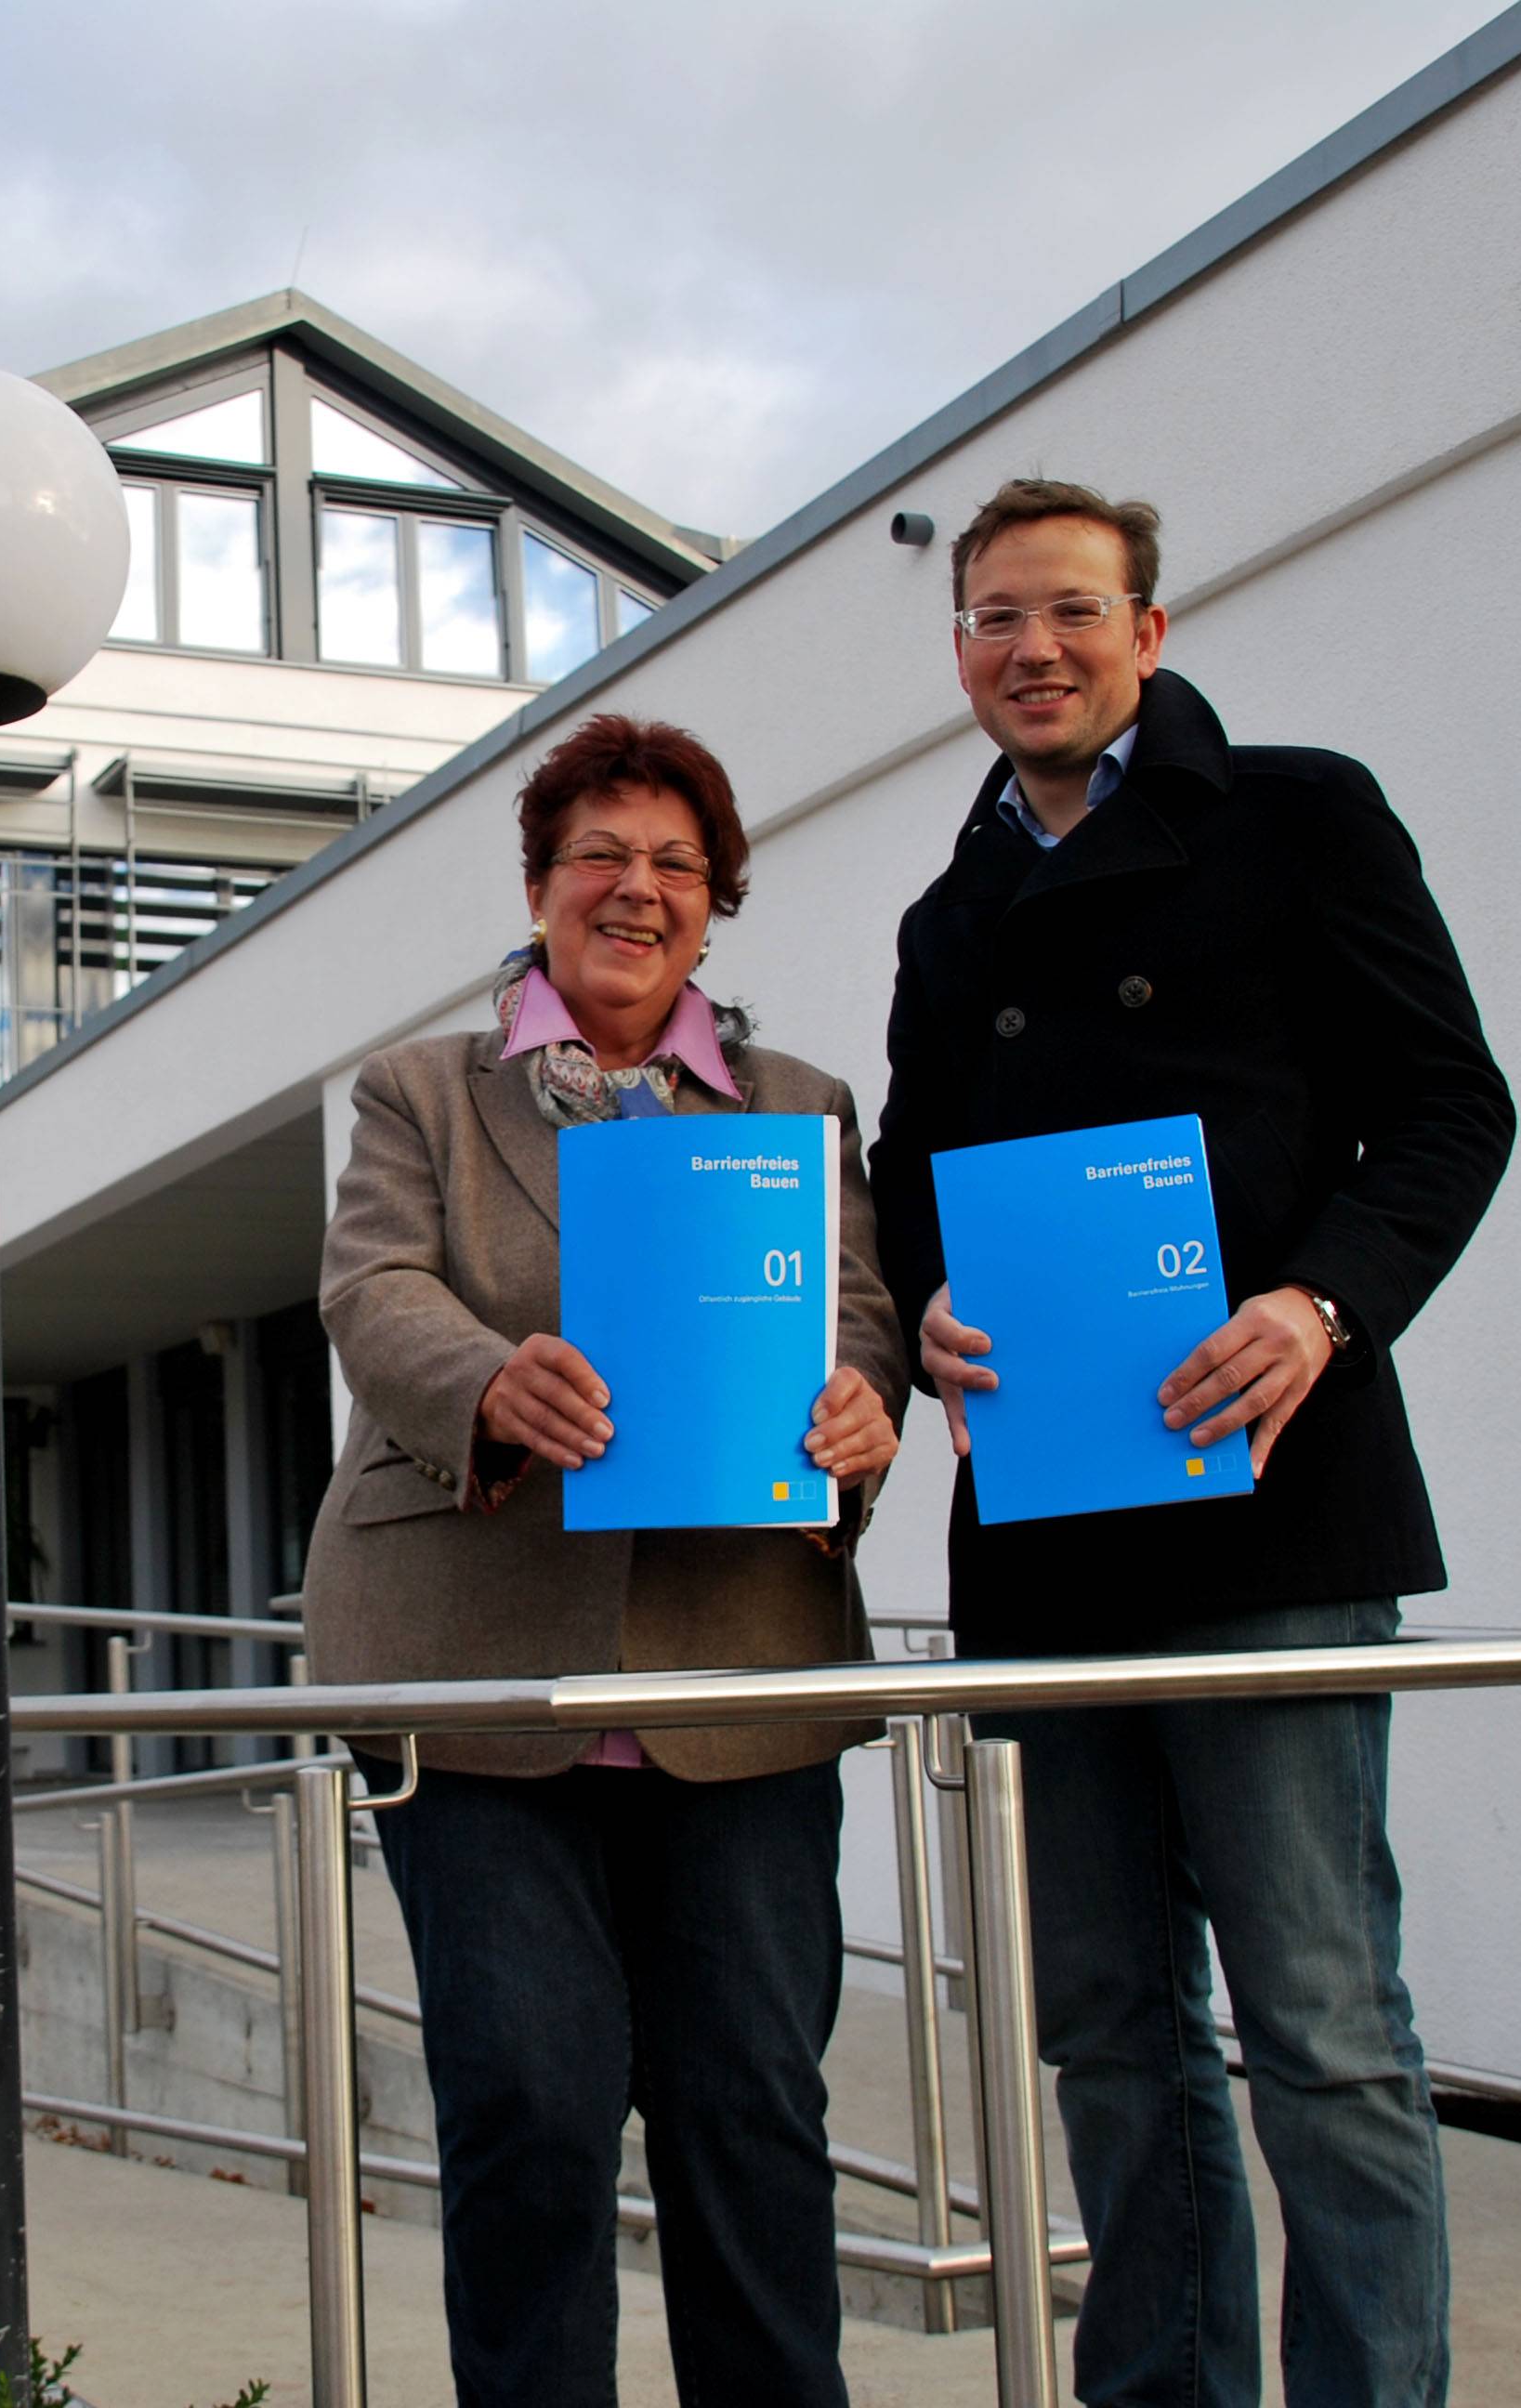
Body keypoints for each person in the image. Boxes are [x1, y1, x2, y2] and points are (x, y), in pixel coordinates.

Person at [869, 478, 1514, 2408]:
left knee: (1320, 2020)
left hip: (1273, 1520)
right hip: (1053, 1545)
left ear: (1150, 629)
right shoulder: (949, 905)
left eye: (1070, 610)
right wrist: (914, 1306)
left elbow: (1450, 1107)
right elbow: (910, 1175)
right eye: (993, 617)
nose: (1032, 648)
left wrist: (1320, 1303)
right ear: (960, 646)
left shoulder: (1300, 814)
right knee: (1107, 2031)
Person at [301, 713, 908, 2408]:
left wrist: (866, 1406)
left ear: (715, 905)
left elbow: (855, 1318)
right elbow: (374, 1289)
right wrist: (487, 1379)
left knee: (751, 2115)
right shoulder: (423, 1088)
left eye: (674, 867)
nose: (634, 893)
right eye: (599, 859)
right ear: (540, 886)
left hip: (746, 1671)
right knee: (532, 2105)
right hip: (479, 1676)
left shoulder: (803, 1107)